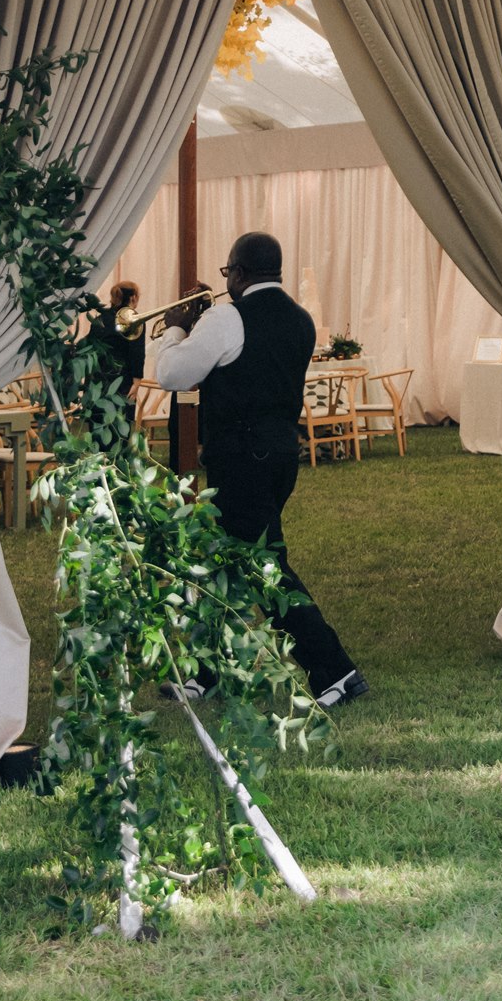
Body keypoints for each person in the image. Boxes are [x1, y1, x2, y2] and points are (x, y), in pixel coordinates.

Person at [155, 231, 367, 710]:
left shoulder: (227, 317)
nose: (225, 280)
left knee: (264, 567)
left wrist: (174, 328)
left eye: (227, 271)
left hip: (239, 458)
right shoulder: (301, 319)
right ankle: (201, 673)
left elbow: (173, 375)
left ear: (241, 272)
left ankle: (336, 670)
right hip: (280, 456)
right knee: (217, 562)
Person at [90, 281, 144, 393]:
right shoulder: (133, 320)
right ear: (133, 297)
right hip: (122, 379)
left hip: (98, 379)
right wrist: (137, 380)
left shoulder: (99, 319)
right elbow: (137, 352)